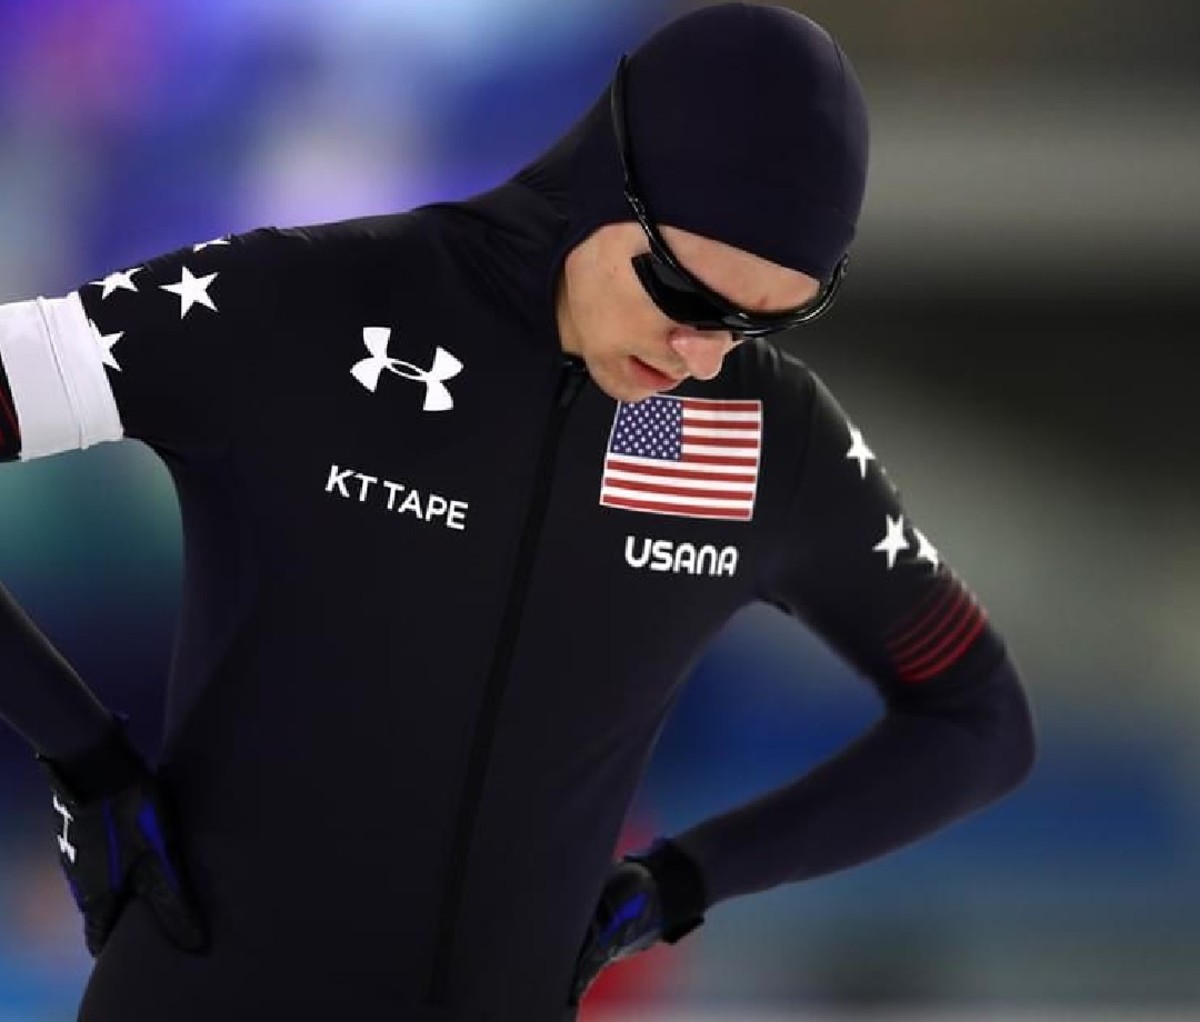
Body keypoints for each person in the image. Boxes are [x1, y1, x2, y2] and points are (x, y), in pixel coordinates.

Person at [0, 5, 1036, 1020]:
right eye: (683, 292)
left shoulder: (765, 434)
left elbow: (979, 722)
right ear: (604, 178)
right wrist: (82, 752)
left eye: (770, 318)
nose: (705, 355)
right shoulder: (305, 305)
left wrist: (684, 880)